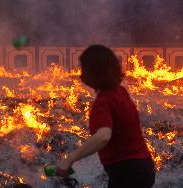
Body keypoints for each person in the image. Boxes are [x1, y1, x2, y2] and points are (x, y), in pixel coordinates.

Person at [56, 45, 155, 188]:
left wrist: (70, 159)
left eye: (83, 68)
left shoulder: (103, 102)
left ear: (93, 72)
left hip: (127, 173)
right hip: (144, 167)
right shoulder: (120, 92)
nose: (80, 74)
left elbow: (103, 136)